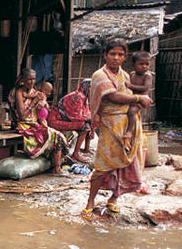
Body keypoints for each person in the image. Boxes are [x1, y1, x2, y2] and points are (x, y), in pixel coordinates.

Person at [82, 39, 153, 220]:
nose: (116, 57)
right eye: (112, 54)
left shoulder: (126, 75)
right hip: (110, 124)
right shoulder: (100, 75)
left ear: (125, 57)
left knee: (127, 164)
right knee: (103, 164)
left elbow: (133, 94)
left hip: (129, 124)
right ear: (105, 55)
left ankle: (114, 198)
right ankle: (90, 201)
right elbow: (114, 96)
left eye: (120, 54)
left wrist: (137, 100)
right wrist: (138, 98)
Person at [8, 68, 68, 175]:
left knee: (58, 135)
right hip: (24, 126)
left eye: (34, 79)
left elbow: (45, 105)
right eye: (29, 79)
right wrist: (34, 103)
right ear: (23, 80)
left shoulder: (34, 92)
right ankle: (57, 168)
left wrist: (43, 102)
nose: (32, 82)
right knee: (53, 136)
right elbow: (22, 116)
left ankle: (56, 167)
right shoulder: (18, 93)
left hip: (35, 124)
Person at [47, 79, 93, 163]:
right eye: (91, 88)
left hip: (63, 118)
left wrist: (91, 119)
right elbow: (75, 116)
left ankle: (86, 149)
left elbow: (86, 113)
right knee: (85, 126)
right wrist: (90, 119)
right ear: (86, 87)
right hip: (55, 120)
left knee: (90, 123)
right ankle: (75, 154)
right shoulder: (78, 96)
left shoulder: (84, 97)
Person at [123, 51, 153, 148]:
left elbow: (145, 88)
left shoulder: (147, 76)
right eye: (141, 64)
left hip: (141, 100)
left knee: (132, 112)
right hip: (133, 99)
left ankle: (129, 131)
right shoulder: (132, 74)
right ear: (134, 64)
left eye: (147, 64)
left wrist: (131, 86)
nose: (144, 66)